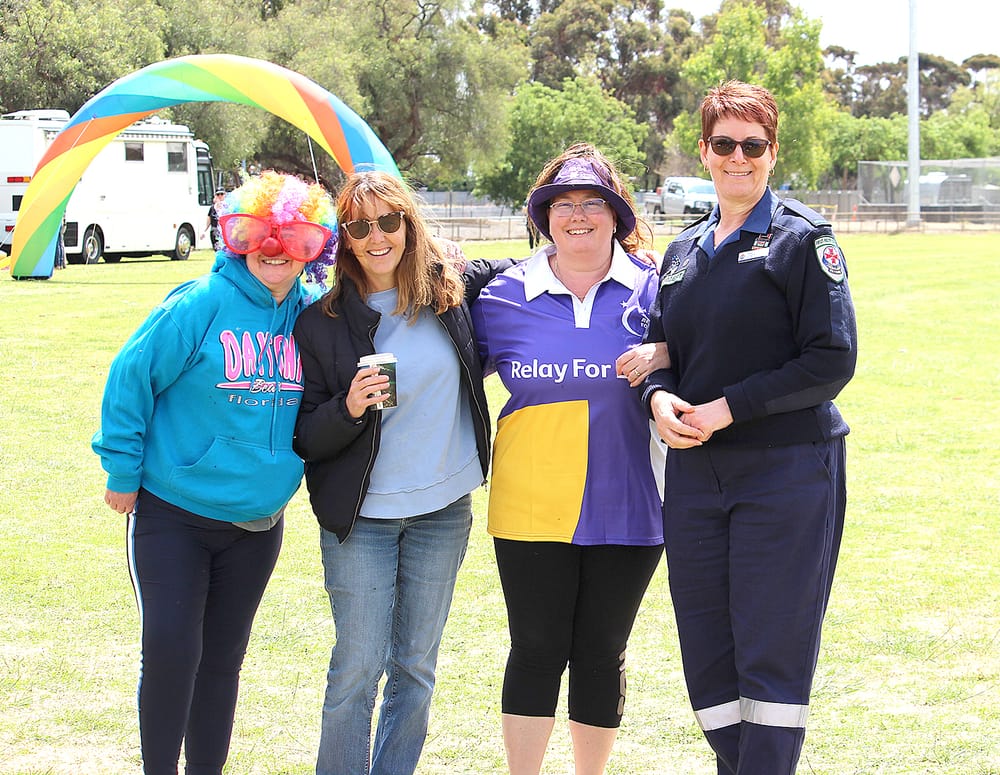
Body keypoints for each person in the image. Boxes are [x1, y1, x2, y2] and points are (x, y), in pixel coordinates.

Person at [640, 80, 858, 774]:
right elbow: (660, 349)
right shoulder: (679, 253)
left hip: (787, 473)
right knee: (709, 653)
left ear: (772, 152)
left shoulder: (802, 239)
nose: (740, 157)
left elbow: (832, 358)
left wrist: (728, 406)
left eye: (753, 145)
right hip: (699, 478)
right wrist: (655, 396)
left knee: (770, 653)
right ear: (703, 152)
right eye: (725, 144)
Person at [92, 171, 337, 775]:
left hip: (257, 522)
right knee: (173, 649)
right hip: (173, 513)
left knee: (224, 657)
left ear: (315, 247)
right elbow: (130, 378)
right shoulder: (200, 303)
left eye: (295, 239)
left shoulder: (312, 313)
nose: (276, 252)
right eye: (260, 236)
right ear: (237, 237)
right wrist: (122, 469)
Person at [292, 171, 513, 775]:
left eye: (388, 221)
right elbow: (306, 436)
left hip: (442, 513)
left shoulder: (451, 293)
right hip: (361, 519)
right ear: (345, 238)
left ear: (409, 225)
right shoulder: (321, 322)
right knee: (357, 667)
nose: (376, 237)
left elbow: (523, 270)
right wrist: (350, 407)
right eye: (360, 226)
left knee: (416, 666)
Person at [471, 143, 667, 775]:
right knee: (534, 649)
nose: (577, 216)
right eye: (562, 204)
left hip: (633, 500)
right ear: (544, 215)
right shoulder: (500, 294)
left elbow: (708, 355)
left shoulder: (659, 288)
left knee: (602, 651)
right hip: (531, 501)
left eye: (592, 203)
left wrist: (661, 355)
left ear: (616, 214)